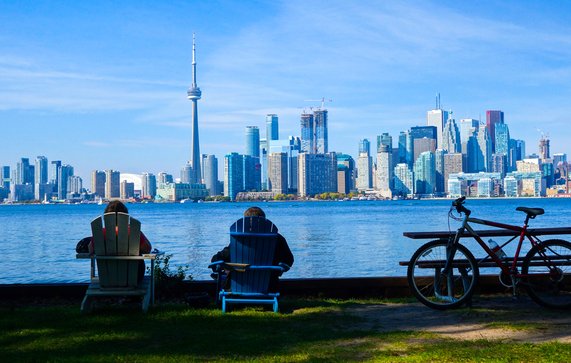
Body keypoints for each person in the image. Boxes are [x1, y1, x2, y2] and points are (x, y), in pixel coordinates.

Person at [211, 206, 294, 292]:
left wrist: (223, 268)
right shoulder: (277, 239)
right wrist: (278, 270)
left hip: (238, 286)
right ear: (264, 221)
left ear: (245, 222)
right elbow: (288, 260)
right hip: (269, 286)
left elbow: (217, 258)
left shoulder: (239, 239)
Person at [89, 200, 152, 281]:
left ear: (106, 216)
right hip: (134, 278)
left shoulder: (100, 234)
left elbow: (90, 250)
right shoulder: (133, 232)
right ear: (126, 216)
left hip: (107, 278)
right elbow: (147, 249)